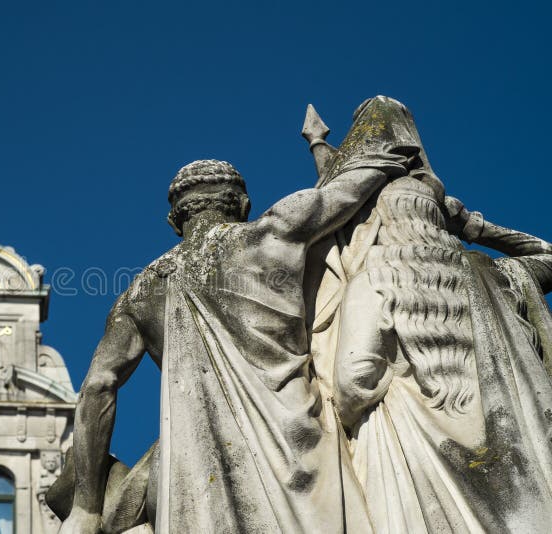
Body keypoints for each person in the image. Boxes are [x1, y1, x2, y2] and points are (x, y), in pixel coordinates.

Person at [60, 97, 418, 534]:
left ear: (174, 221)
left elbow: (98, 386)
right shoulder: (272, 232)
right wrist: (383, 149)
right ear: (243, 205)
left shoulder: (139, 292)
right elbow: (352, 185)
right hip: (295, 451)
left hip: (194, 472)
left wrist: (85, 507)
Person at [332, 172, 552, 532]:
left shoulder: (375, 279)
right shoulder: (499, 276)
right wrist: (472, 226)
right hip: (517, 461)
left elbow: (353, 380)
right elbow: (547, 254)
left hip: (412, 455)